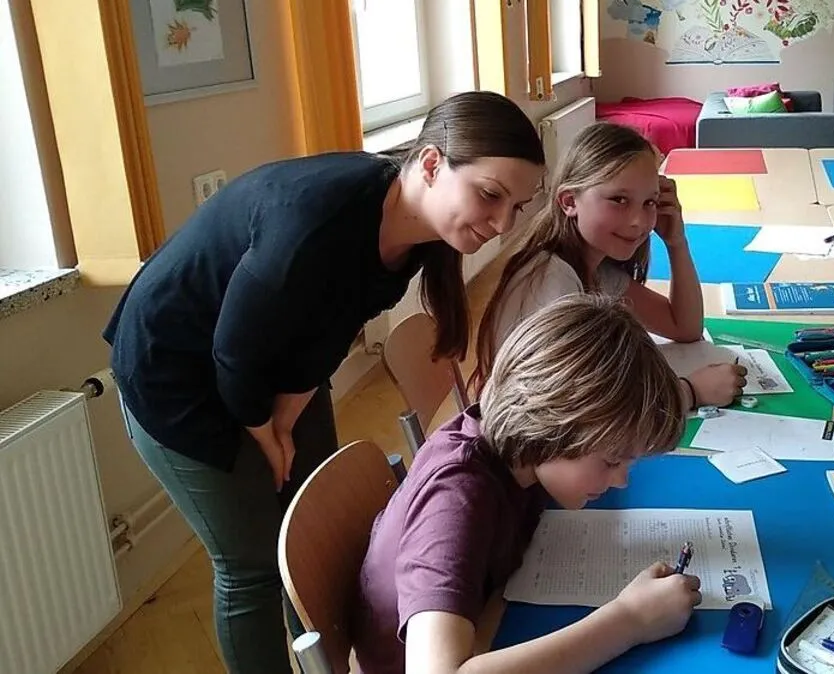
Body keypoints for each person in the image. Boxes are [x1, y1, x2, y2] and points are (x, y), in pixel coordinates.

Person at [101, 91, 545, 674]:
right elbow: (233, 353)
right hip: (176, 370)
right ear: (432, 164)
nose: (502, 224)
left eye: (517, 206)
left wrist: (287, 419)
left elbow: (331, 328)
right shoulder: (317, 222)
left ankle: (322, 657)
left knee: (318, 535)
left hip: (262, 356)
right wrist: (266, 434)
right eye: (490, 195)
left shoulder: (416, 231)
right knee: (252, 564)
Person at [352, 293, 700, 673]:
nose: (620, 481)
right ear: (552, 422)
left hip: (492, 618)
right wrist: (631, 620)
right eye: (610, 461)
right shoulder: (456, 498)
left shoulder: (523, 454)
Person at [469, 122, 746, 409]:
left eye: (649, 202)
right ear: (569, 202)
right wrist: (689, 392)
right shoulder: (553, 282)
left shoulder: (595, 268)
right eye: (619, 200)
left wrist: (676, 242)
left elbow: (684, 328)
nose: (638, 221)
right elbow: (575, 410)